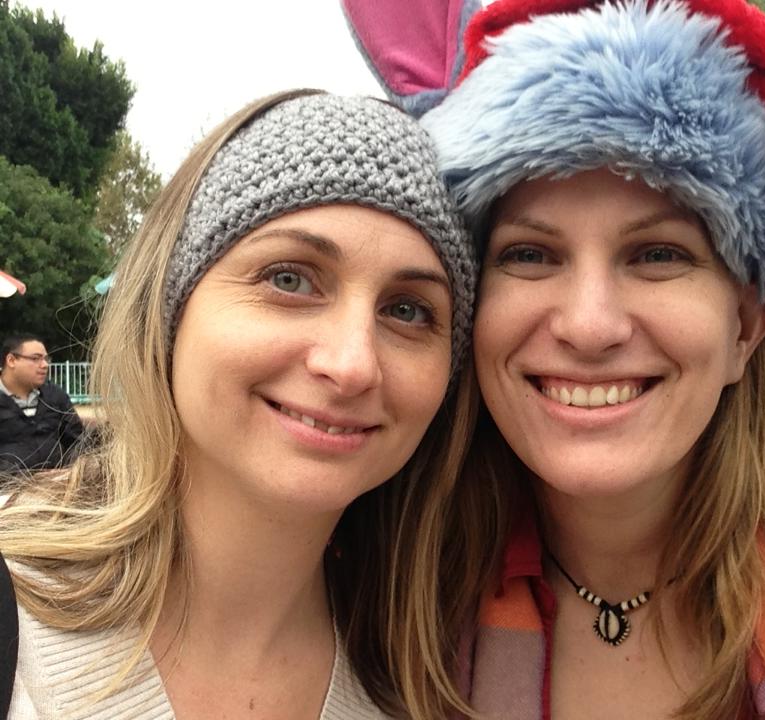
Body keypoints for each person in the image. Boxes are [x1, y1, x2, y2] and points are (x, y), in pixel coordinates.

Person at [345, 0, 765, 717]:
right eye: (529, 254)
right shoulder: (380, 565)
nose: (589, 327)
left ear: (746, 326)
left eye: (658, 254)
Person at [0, 90, 477, 718]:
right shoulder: (17, 617)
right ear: (171, 307)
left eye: (408, 311)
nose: (352, 365)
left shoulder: (435, 681)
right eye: (289, 278)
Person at [0, 335, 84, 477]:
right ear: (11, 360)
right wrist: (26, 478)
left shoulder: (55, 397)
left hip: (58, 485)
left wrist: (71, 471)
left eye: (46, 359)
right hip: (9, 488)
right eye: (35, 358)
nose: (44, 365)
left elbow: (78, 442)